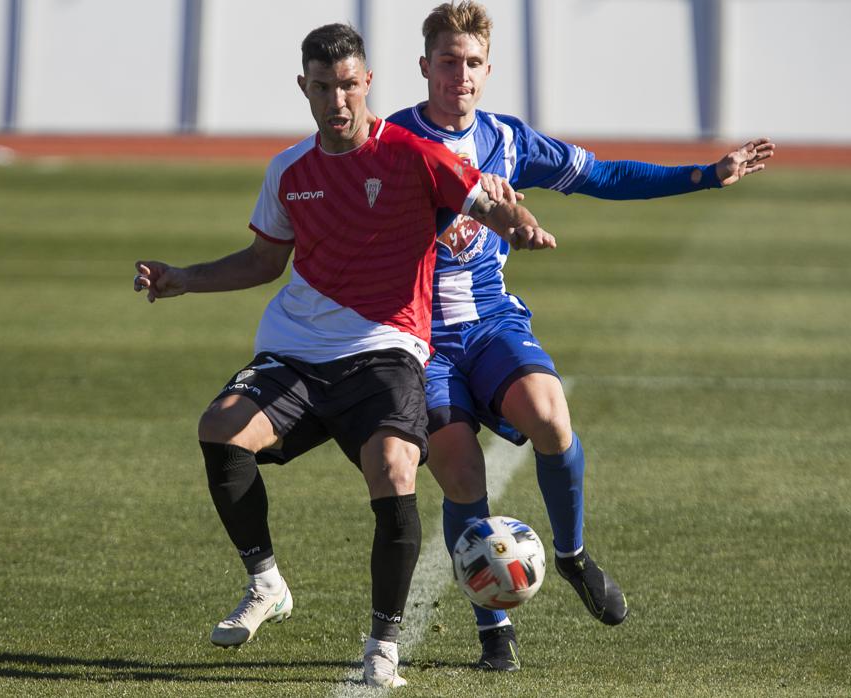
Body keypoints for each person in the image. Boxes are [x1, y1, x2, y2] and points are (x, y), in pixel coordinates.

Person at [134, 23, 551, 689]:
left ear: (368, 84)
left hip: (385, 350)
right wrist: (183, 277)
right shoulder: (289, 169)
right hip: (297, 351)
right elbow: (265, 260)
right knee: (220, 429)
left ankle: (382, 645)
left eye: (348, 85)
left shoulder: (413, 155)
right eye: (323, 87)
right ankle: (266, 583)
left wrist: (520, 225)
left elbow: (485, 199)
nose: (337, 100)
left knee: (393, 467)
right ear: (305, 87)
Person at [386, 0, 775, 671]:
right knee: (459, 468)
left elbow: (604, 176)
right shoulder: (390, 142)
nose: (461, 75)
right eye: (448, 61)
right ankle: (494, 629)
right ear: (425, 67)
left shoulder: (508, 140)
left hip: (491, 322)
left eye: (473, 63)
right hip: (422, 336)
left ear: (488, 69)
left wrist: (707, 175)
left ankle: (570, 556)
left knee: (550, 415)